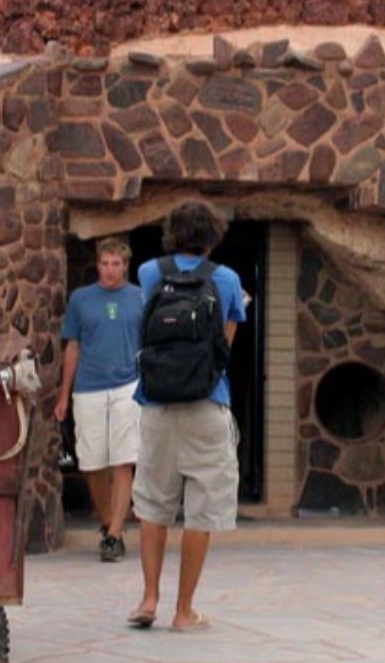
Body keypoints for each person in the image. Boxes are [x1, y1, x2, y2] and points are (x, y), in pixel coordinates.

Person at [128, 201, 247, 633]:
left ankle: (148, 598)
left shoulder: (149, 273)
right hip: (206, 402)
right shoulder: (227, 279)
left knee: (153, 504)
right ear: (213, 235)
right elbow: (225, 345)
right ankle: (184, 611)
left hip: (156, 403)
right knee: (201, 510)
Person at [55, 238, 147, 563]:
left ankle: (115, 533)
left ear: (125, 266)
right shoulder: (81, 299)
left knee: (124, 458)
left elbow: (148, 344)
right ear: (98, 265)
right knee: (92, 462)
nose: (110, 270)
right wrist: (64, 394)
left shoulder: (140, 297)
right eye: (105, 263)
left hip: (128, 384)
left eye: (116, 264)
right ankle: (109, 523)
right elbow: (72, 346)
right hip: (88, 386)